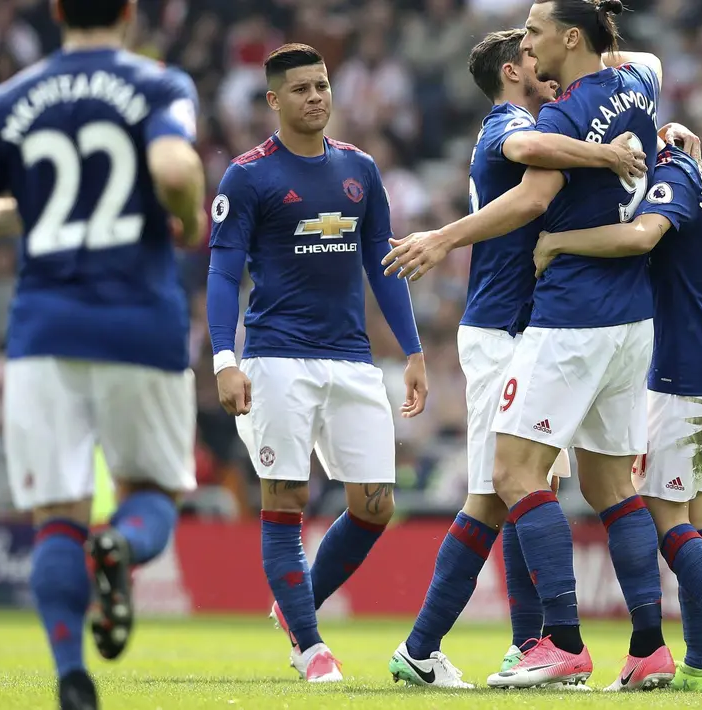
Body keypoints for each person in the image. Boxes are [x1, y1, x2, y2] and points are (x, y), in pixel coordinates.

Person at [383, 0, 671, 691]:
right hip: (578, 323)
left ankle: (546, 642)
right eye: (526, 42)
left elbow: (537, 188)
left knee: (514, 482)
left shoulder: (563, 108)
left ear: (568, 41)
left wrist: (441, 236)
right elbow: (533, 146)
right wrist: (615, 141)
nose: (534, 47)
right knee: (556, 488)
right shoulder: (559, 107)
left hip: (560, 323)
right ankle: (625, 648)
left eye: (539, 32)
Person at [0, 0, 207, 707]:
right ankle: (123, 547)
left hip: (43, 330)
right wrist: (186, 215)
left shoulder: (7, 97)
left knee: (57, 512)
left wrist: (31, 208)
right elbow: (175, 171)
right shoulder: (158, 83)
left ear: (55, 11)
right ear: (131, 11)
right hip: (138, 323)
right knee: (151, 493)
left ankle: (69, 675)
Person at [206, 43, 427, 684]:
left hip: (353, 360)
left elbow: (381, 268)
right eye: (300, 89)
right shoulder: (248, 176)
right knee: (286, 497)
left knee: (376, 505)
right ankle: (310, 646)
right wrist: (226, 357)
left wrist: (412, 351)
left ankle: (293, 605)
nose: (316, 97)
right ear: (274, 100)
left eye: (323, 85)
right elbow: (223, 273)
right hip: (277, 359)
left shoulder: (360, 169)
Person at [534, 138, 702, 693]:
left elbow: (644, 235)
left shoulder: (670, 174)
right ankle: (700, 663)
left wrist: (559, 241)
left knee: (665, 517)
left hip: (685, 378)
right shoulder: (689, 164)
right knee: (695, 514)